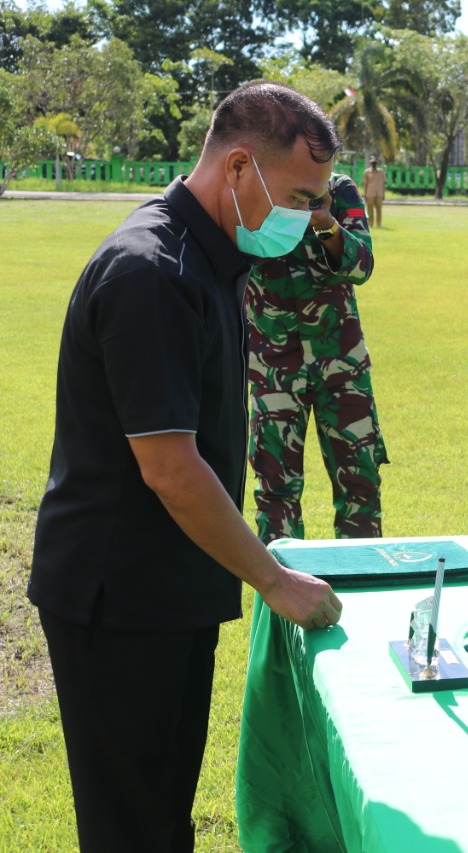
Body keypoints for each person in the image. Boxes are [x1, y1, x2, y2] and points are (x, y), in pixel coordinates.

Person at [27, 81, 345, 853]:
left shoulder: (211, 258)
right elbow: (170, 468)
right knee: (132, 826)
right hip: (119, 598)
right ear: (240, 168)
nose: (313, 219)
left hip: (171, 587)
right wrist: (273, 577)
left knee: (162, 815)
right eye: (301, 196)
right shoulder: (154, 271)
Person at [245, 171, 387, 542]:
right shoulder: (252, 190)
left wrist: (325, 222)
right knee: (276, 493)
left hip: (342, 366)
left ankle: (362, 593)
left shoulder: (338, 190)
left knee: (361, 486)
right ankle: (280, 597)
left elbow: (362, 266)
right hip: (274, 367)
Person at [362, 156, 386, 227]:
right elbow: (365, 184)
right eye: (372, 163)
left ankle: (379, 224)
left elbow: (383, 184)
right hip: (370, 194)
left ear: (376, 164)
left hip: (379, 193)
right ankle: (370, 224)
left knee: (379, 210)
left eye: (375, 163)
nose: (374, 164)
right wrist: (365, 194)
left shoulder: (381, 172)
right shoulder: (367, 172)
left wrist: (383, 194)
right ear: (370, 164)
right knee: (370, 210)